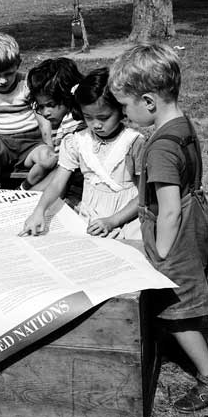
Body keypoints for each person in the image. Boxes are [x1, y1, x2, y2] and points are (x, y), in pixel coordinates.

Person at [109, 43, 208, 413]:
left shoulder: (160, 148)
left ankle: (206, 373)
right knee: (185, 300)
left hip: (175, 239)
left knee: (177, 312)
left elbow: (168, 210)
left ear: (148, 101)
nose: (124, 113)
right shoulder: (182, 126)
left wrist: (162, 255)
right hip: (192, 222)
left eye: (125, 105)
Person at [21, 67, 144, 240]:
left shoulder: (132, 143)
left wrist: (112, 221)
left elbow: (144, 194)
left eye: (103, 118)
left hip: (127, 219)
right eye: (88, 117)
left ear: (120, 110)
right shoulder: (77, 142)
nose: (96, 125)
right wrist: (39, 211)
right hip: (89, 217)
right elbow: (57, 183)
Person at [0, 32, 56, 189]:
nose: (2, 80)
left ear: (18, 64)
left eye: (8, 73)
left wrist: (49, 145)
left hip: (31, 144)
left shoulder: (27, 83)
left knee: (48, 157)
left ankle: (25, 188)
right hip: (3, 145)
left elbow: (43, 120)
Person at [25, 57, 86, 193]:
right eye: (41, 107)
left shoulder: (73, 124)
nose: (45, 112)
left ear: (67, 97)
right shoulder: (61, 120)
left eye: (51, 105)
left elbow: (64, 174)